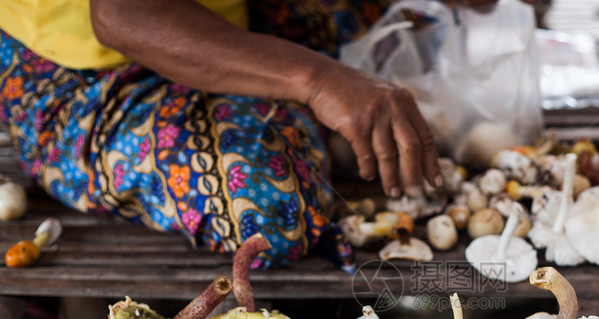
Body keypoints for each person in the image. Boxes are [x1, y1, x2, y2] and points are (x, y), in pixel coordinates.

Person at [0, 0, 461, 270]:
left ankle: (297, 100)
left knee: (397, 12)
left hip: (222, 13)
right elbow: (122, 15)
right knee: (269, 204)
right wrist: (317, 80)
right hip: (86, 63)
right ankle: (298, 106)